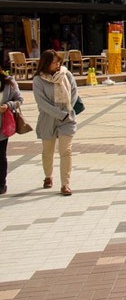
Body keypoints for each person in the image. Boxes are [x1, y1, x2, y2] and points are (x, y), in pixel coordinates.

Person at [32, 50, 79, 196]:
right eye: (54, 62)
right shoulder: (38, 80)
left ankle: (65, 184)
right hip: (48, 119)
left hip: (67, 118)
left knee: (66, 151)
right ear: (46, 63)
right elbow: (42, 103)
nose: (57, 64)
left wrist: (67, 112)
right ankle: (48, 175)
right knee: (48, 151)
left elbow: (74, 92)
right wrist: (60, 114)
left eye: (59, 61)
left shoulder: (66, 74)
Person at [0, 67, 25, 195]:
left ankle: (1, 184)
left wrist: (7, 106)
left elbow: (19, 99)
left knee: (1, 155)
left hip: (1, 127)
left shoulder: (8, 82)